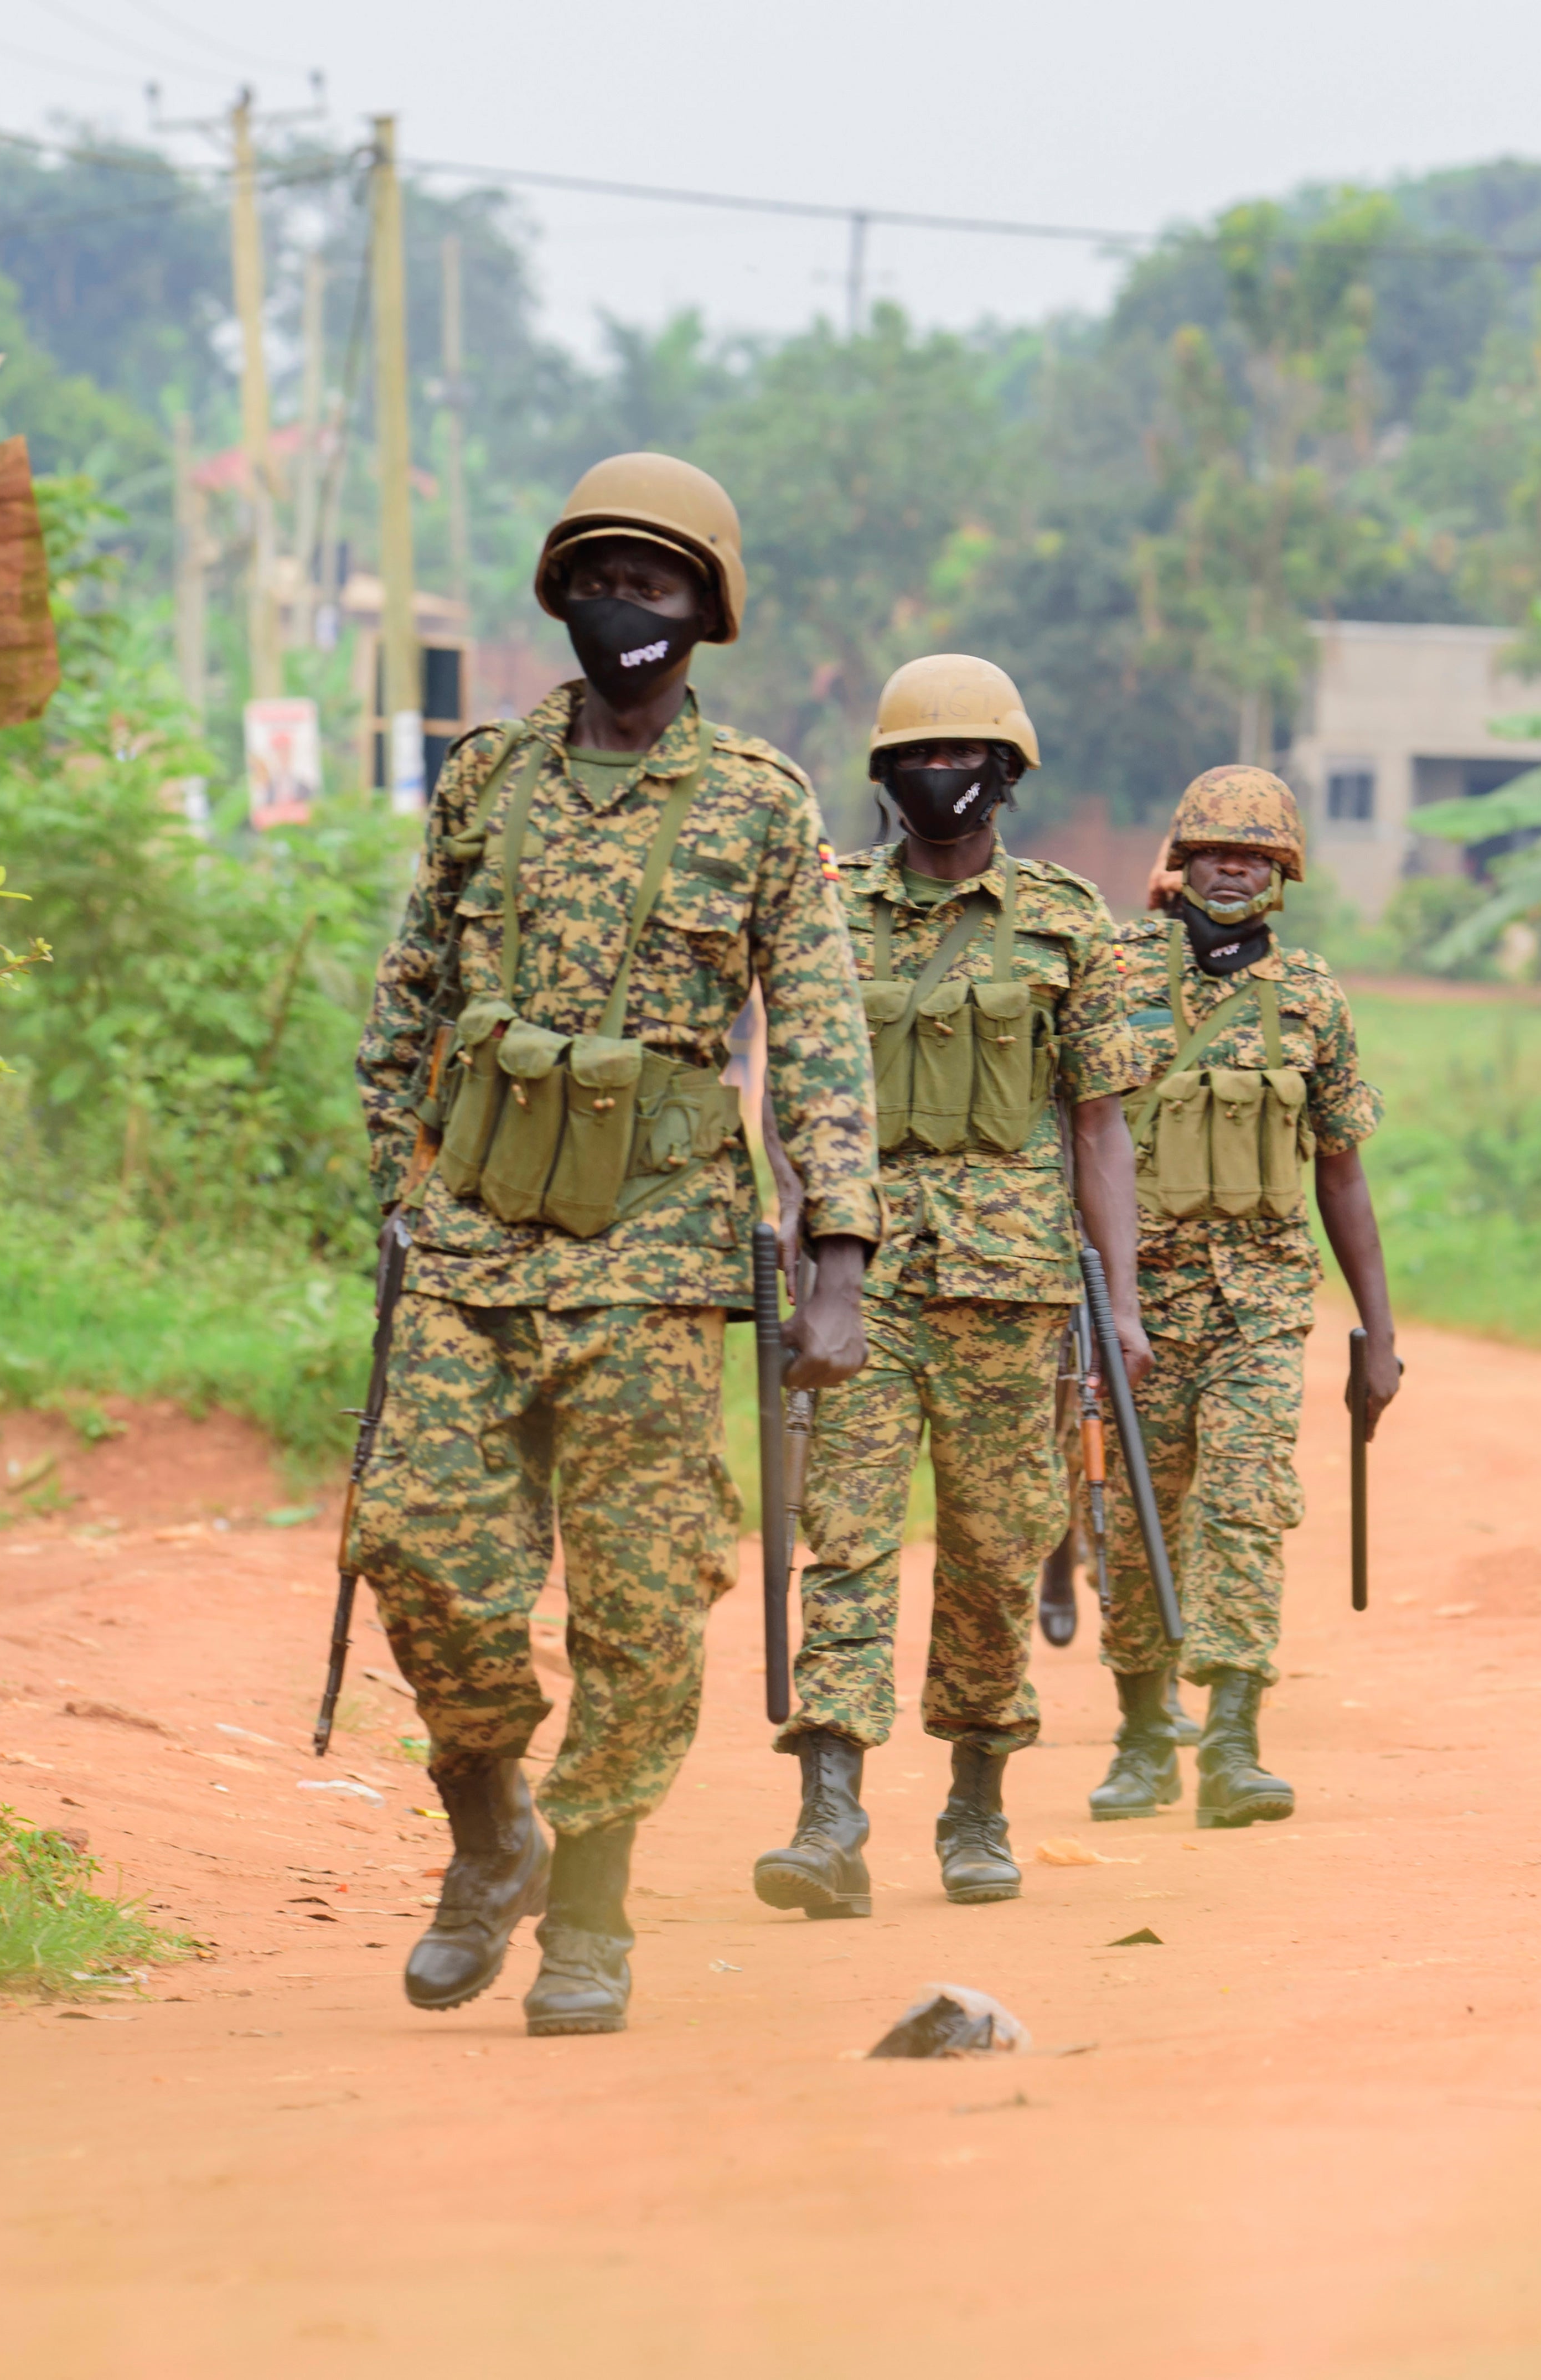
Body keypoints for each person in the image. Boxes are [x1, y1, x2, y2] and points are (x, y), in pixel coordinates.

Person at [351, 452, 878, 2037]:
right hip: (473, 1228)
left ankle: (588, 1902)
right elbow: (412, 986)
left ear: (703, 610)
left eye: (651, 586)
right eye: (596, 580)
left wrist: (834, 1248)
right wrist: (396, 1172)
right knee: (418, 1543)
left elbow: (824, 1034)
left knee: (641, 1601)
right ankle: (488, 1828)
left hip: (654, 1246)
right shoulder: (487, 776)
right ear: (557, 596)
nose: (619, 610)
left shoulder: (759, 804)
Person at [752, 655, 1145, 1915]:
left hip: (1012, 1288)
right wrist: (809, 1243)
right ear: (884, 774)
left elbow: (1099, 1127)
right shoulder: (828, 916)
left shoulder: (1069, 923)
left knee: (993, 1548)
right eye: (916, 757)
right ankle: (830, 1815)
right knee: (847, 1539)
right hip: (861, 1289)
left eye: (963, 756)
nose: (939, 775)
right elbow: (795, 1099)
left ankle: (977, 1806)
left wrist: (1122, 1308)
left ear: (1007, 772)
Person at [1084, 766, 1400, 1828]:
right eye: (1218, 847)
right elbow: (1069, 1138)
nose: (1235, 865)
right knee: (1136, 1524)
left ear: (1285, 871)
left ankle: (1232, 1740)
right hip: (1134, 1307)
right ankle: (1140, 1738)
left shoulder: (1310, 997)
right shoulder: (1114, 973)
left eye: (1257, 853)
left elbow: (1342, 1170)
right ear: (1182, 856)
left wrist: (1380, 1333)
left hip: (1259, 1306)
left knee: (1245, 1506)